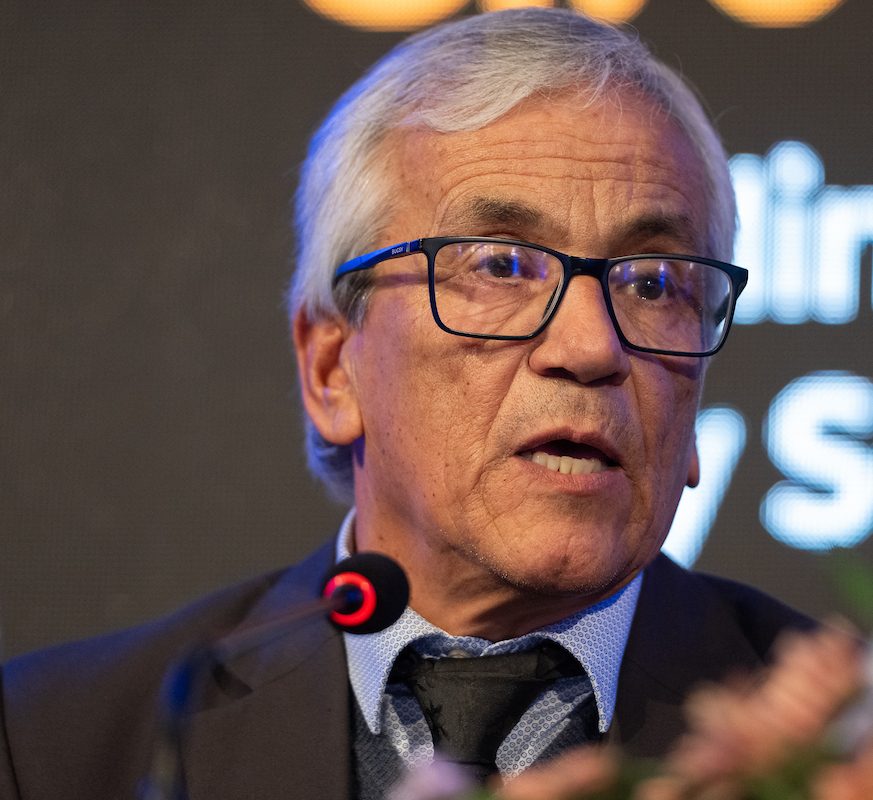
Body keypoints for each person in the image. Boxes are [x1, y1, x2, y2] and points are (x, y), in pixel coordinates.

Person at [0, 8, 814, 800]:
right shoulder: (60, 742)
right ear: (332, 371)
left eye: (652, 283)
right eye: (500, 266)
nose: (592, 347)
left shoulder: (866, 746)